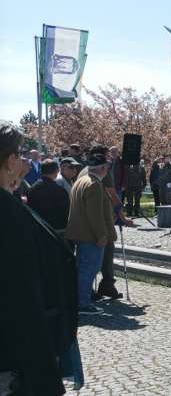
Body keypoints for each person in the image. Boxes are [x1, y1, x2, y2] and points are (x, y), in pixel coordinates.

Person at [1, 123, 79, 396]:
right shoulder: (10, 216)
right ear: (10, 161)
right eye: (19, 154)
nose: (23, 160)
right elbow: (23, 295)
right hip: (15, 356)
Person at [66, 153, 117, 315]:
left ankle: (80, 301)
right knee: (88, 270)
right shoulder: (94, 184)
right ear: (102, 168)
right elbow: (95, 214)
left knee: (83, 269)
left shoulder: (81, 180)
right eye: (107, 167)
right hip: (90, 236)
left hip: (81, 234)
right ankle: (83, 304)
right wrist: (101, 235)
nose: (108, 170)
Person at [82, 146, 126, 301]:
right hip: (101, 220)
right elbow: (112, 195)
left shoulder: (85, 170)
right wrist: (122, 215)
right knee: (105, 254)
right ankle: (105, 285)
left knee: (90, 259)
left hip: (86, 221)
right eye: (108, 155)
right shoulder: (102, 172)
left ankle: (91, 290)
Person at [27, 159, 71, 234]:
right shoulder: (60, 191)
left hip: (39, 230)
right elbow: (67, 212)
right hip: (58, 231)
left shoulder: (31, 189)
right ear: (57, 171)